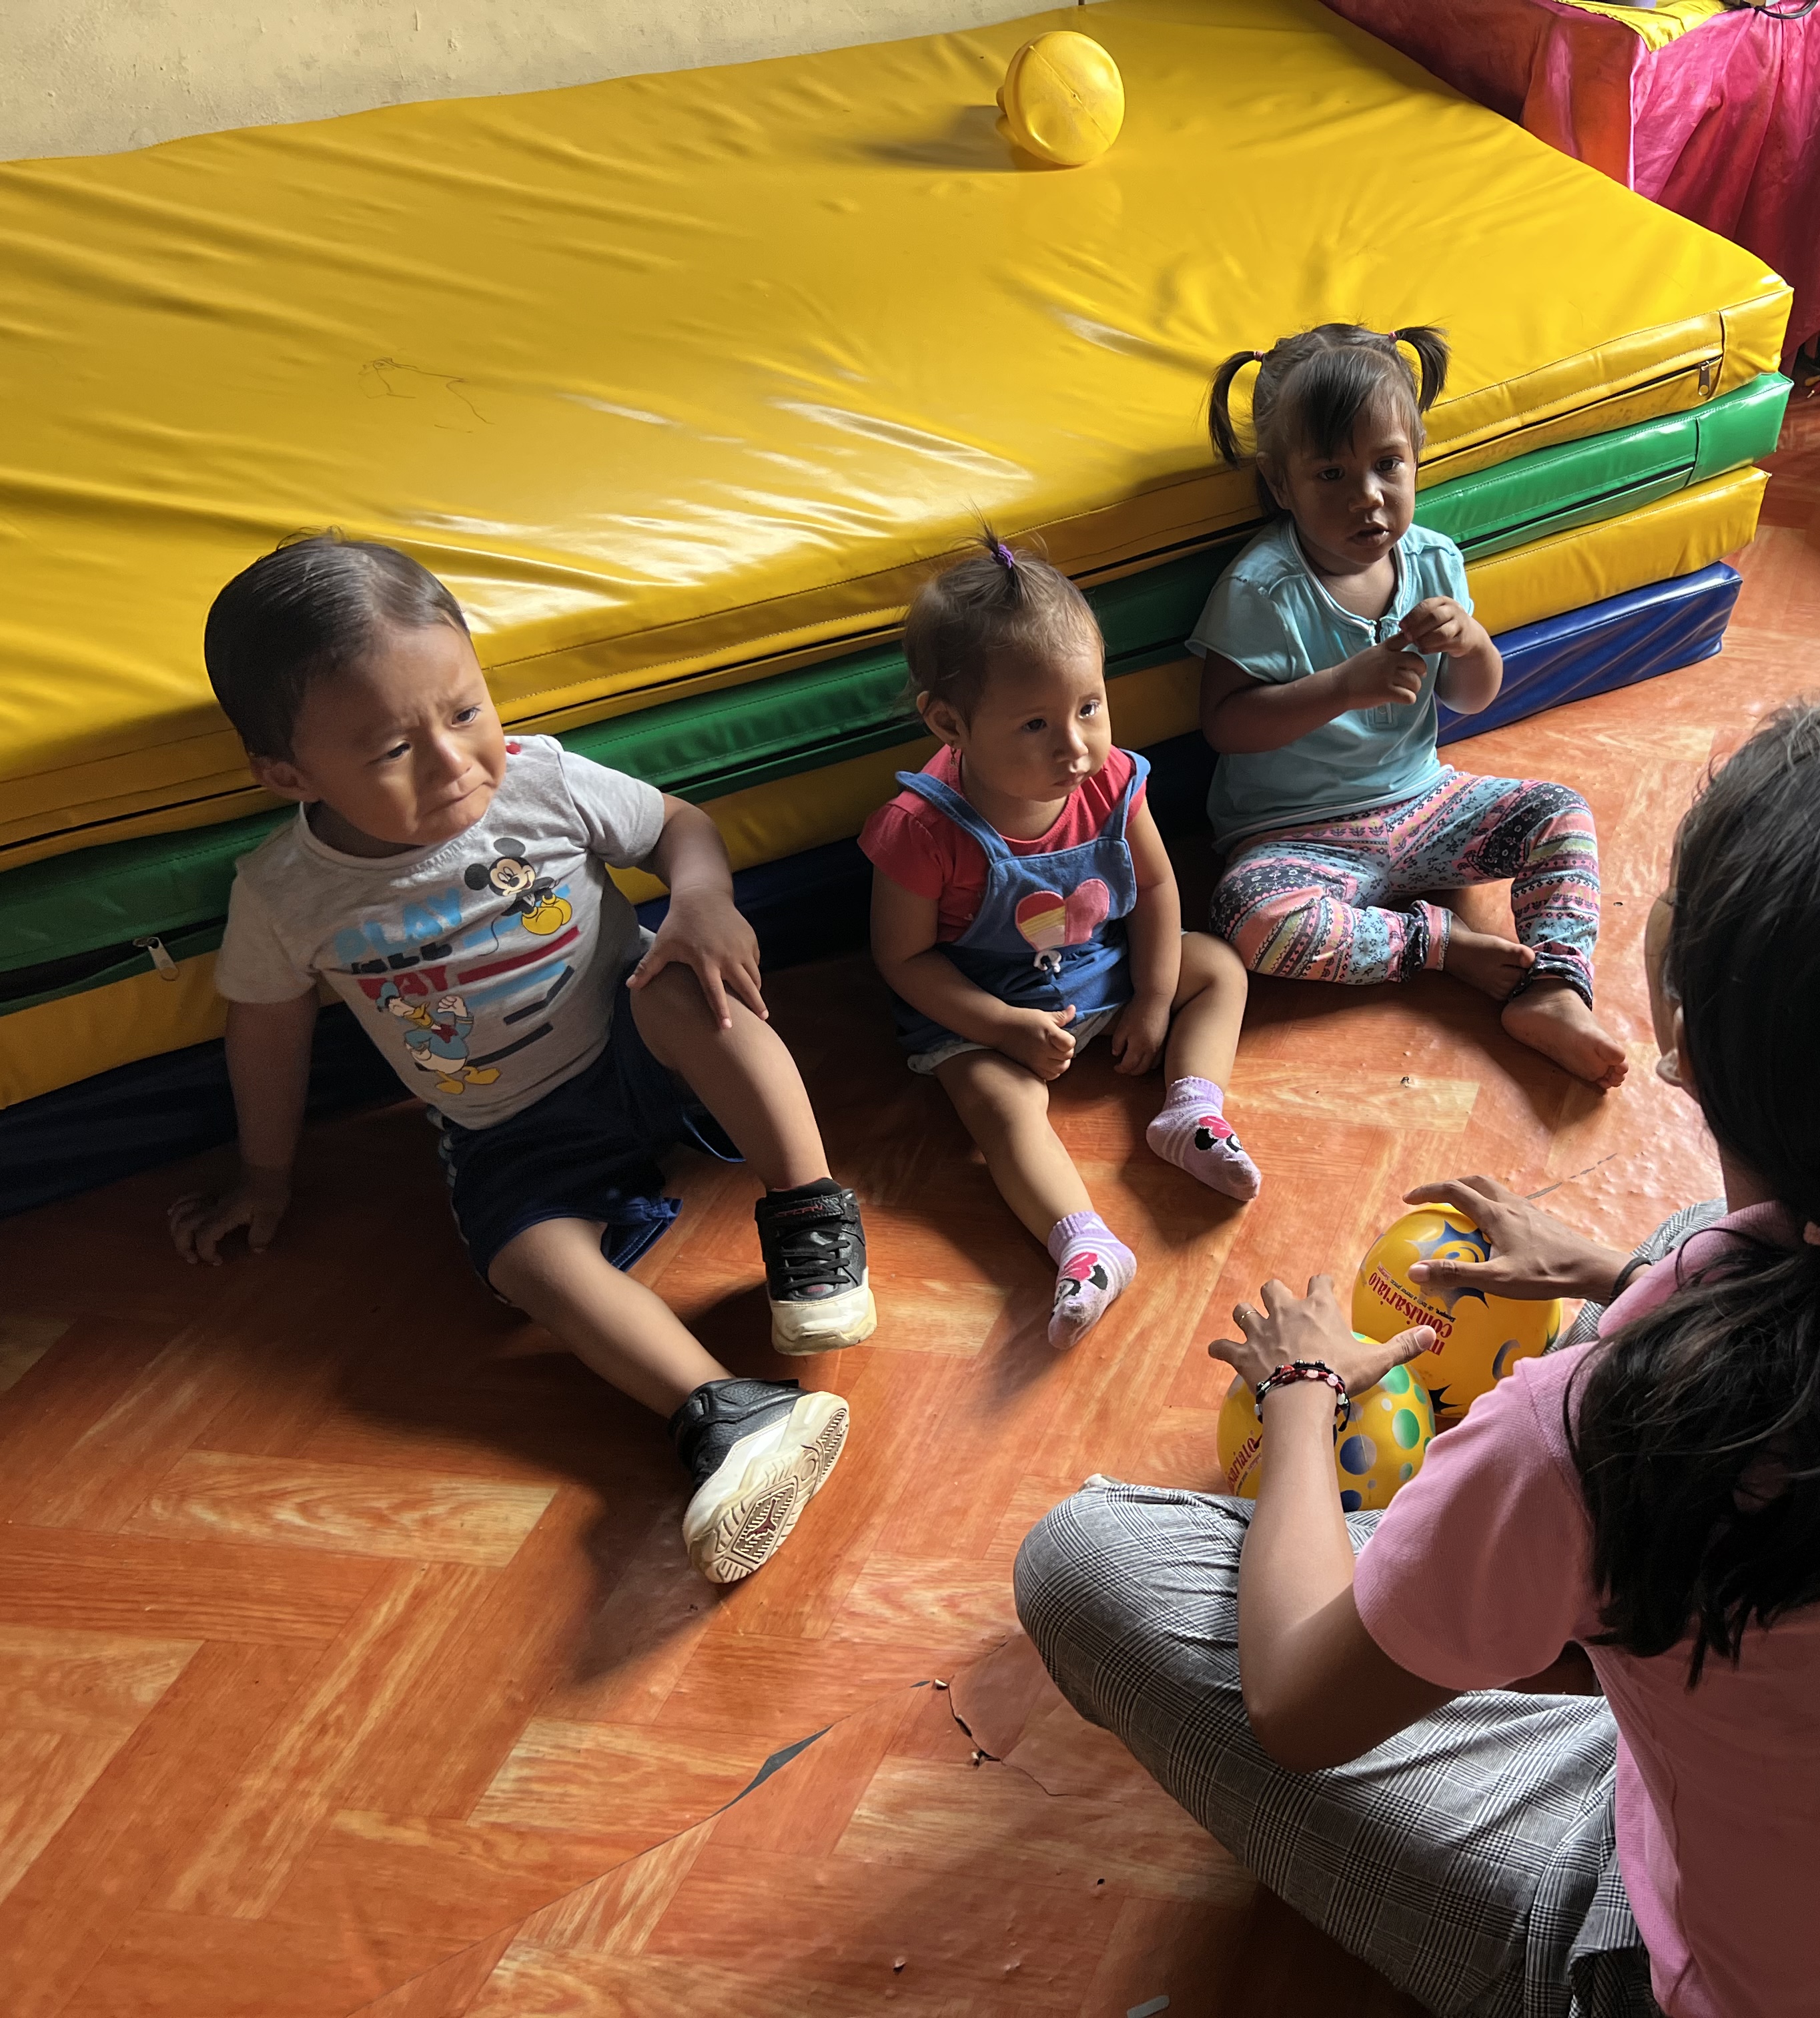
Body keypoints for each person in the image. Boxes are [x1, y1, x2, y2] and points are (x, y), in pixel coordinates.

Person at [1015, 705, 1820, 2017]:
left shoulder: (1601, 1429)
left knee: (1082, 1563)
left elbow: (1298, 1709)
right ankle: (1531, 1601)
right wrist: (1618, 1276)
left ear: (1682, 1035)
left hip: (1686, 1983)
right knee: (1692, 1240)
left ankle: (1492, 1599)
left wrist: (1301, 1395)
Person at [170, 533, 870, 1585]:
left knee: (686, 987)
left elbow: (678, 826)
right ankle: (725, 1414)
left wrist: (703, 900)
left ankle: (811, 1212)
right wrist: (265, 1174)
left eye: (465, 711)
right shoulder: (283, 893)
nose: (455, 762)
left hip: (640, 1042)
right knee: (522, 1262)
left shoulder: (539, 782)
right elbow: (267, 1033)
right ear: (288, 774)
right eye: (393, 749)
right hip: (507, 1129)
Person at [1192, 323, 1626, 1088]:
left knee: (1561, 812)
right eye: (1331, 474)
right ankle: (1437, 946)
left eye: (1387, 464)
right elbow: (1225, 724)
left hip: (1425, 804)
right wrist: (1343, 686)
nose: (1367, 496)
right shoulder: (1262, 589)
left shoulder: (1432, 559)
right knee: (1248, 916)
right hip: (1298, 835)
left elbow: (1471, 697)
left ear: (1416, 457)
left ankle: (1555, 989)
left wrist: (1472, 643)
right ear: (1281, 485)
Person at [864, 537, 1258, 1349]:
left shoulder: (1112, 780)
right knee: (996, 1105)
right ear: (950, 723)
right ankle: (1084, 1244)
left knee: (1218, 967)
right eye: (1036, 724)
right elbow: (902, 958)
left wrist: (1154, 997)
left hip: (1104, 968)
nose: (1074, 746)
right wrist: (1001, 1027)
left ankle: (1193, 1111)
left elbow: (1156, 888)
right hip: (987, 1012)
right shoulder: (922, 830)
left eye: (1089, 707)